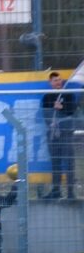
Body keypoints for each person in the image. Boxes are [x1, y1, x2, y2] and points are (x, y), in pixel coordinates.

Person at [42, 71, 78, 199]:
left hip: (66, 134)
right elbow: (44, 114)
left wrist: (61, 107)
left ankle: (70, 192)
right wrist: (50, 120)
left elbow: (72, 111)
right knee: (55, 163)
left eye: (59, 80)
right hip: (53, 135)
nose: (58, 82)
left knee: (69, 163)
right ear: (50, 82)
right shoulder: (47, 97)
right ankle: (56, 190)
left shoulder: (68, 95)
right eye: (55, 80)